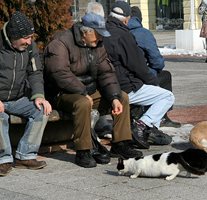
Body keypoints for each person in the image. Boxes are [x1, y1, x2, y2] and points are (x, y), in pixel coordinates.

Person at [44, 10, 143, 168]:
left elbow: (106, 73)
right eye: (98, 34)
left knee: (122, 97)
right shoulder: (61, 43)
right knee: (83, 103)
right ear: (86, 32)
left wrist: (114, 97)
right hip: (62, 93)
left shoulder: (97, 44)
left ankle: (121, 143)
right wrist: (82, 91)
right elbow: (59, 74)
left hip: (87, 91)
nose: (100, 38)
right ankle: (83, 151)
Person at [103, 1, 175, 146]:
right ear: (126, 18)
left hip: (107, 84)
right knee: (167, 96)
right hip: (124, 86)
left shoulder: (103, 31)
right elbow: (138, 65)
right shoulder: (123, 35)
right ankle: (143, 125)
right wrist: (152, 81)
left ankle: (148, 129)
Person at [0, 11, 52, 176]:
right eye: (26, 37)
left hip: (17, 98)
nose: (29, 41)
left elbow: (35, 73)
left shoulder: (30, 47)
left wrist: (39, 96)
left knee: (42, 111)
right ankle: (3, 160)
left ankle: (25, 156)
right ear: (14, 36)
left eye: (31, 37)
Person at [127, 6, 181, 128]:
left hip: (120, 79)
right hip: (138, 78)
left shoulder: (118, 32)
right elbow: (157, 61)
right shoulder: (143, 33)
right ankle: (162, 116)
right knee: (165, 76)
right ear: (139, 19)